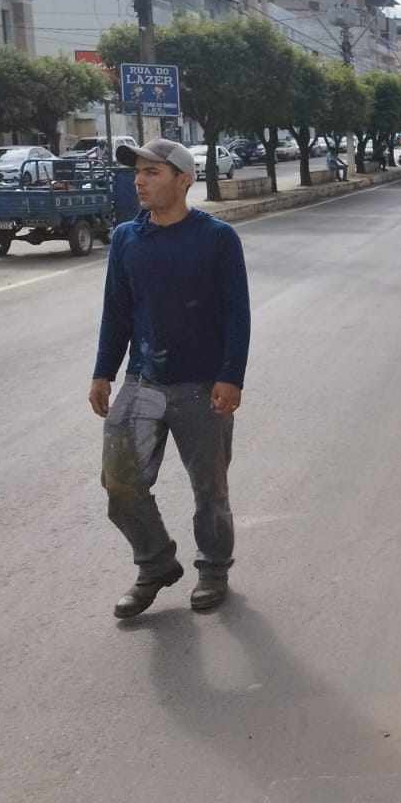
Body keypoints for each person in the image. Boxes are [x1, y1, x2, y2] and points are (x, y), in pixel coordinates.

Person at [91, 139, 250, 618]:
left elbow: (237, 315)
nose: (139, 180)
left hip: (202, 386)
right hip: (142, 383)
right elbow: (116, 312)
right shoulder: (125, 238)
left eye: (153, 172)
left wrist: (231, 376)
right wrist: (103, 371)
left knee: (210, 489)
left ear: (185, 179)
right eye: (138, 172)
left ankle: (214, 569)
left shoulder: (217, 238)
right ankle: (156, 562)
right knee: (119, 483)